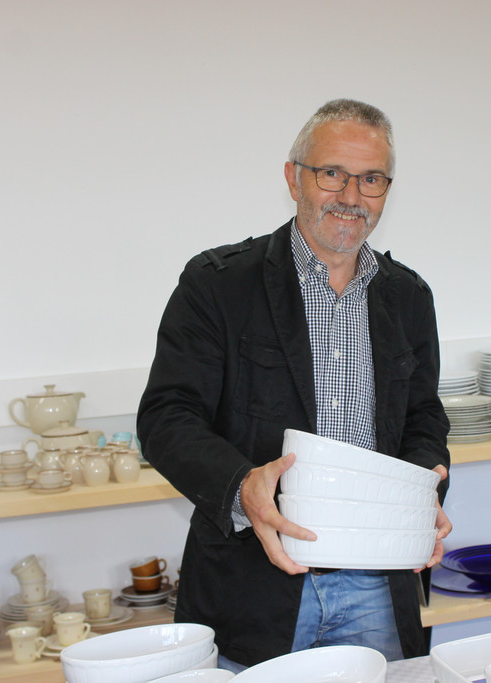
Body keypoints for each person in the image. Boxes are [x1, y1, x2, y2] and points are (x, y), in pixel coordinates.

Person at [137, 98, 451, 669]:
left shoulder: (409, 296)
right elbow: (167, 418)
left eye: (371, 179)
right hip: (253, 581)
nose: (351, 196)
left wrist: (421, 494)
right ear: (293, 177)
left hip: (379, 584)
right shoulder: (218, 285)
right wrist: (241, 485)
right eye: (332, 173)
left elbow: (424, 418)